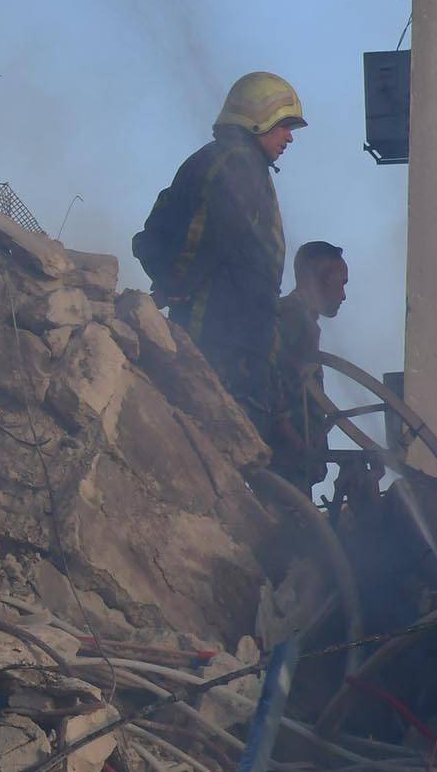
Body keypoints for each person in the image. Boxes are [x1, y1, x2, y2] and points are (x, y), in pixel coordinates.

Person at [134, 72, 303, 426]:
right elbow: (205, 236)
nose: (289, 137)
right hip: (219, 336)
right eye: (284, 126)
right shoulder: (237, 165)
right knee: (212, 425)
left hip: (235, 334)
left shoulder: (236, 162)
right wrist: (177, 284)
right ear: (259, 119)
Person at [267, 240, 348, 491]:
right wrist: (294, 441)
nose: (343, 296)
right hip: (286, 460)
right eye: (341, 284)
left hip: (297, 462)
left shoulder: (301, 320)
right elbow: (272, 383)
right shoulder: (292, 319)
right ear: (320, 280)